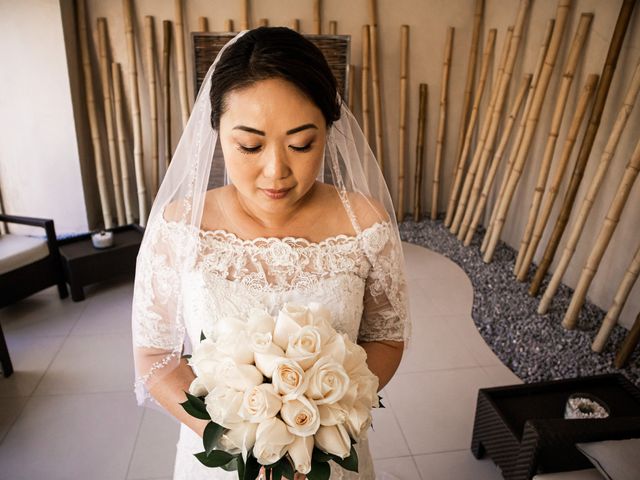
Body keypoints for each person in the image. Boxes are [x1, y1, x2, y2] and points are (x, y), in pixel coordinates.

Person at [131, 27, 410, 480]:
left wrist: (318, 427)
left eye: (302, 144)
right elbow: (155, 357)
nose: (276, 170)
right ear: (217, 131)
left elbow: (386, 337)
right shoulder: (180, 228)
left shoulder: (365, 225)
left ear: (328, 130)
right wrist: (242, 443)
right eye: (250, 145)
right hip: (220, 459)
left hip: (329, 457)